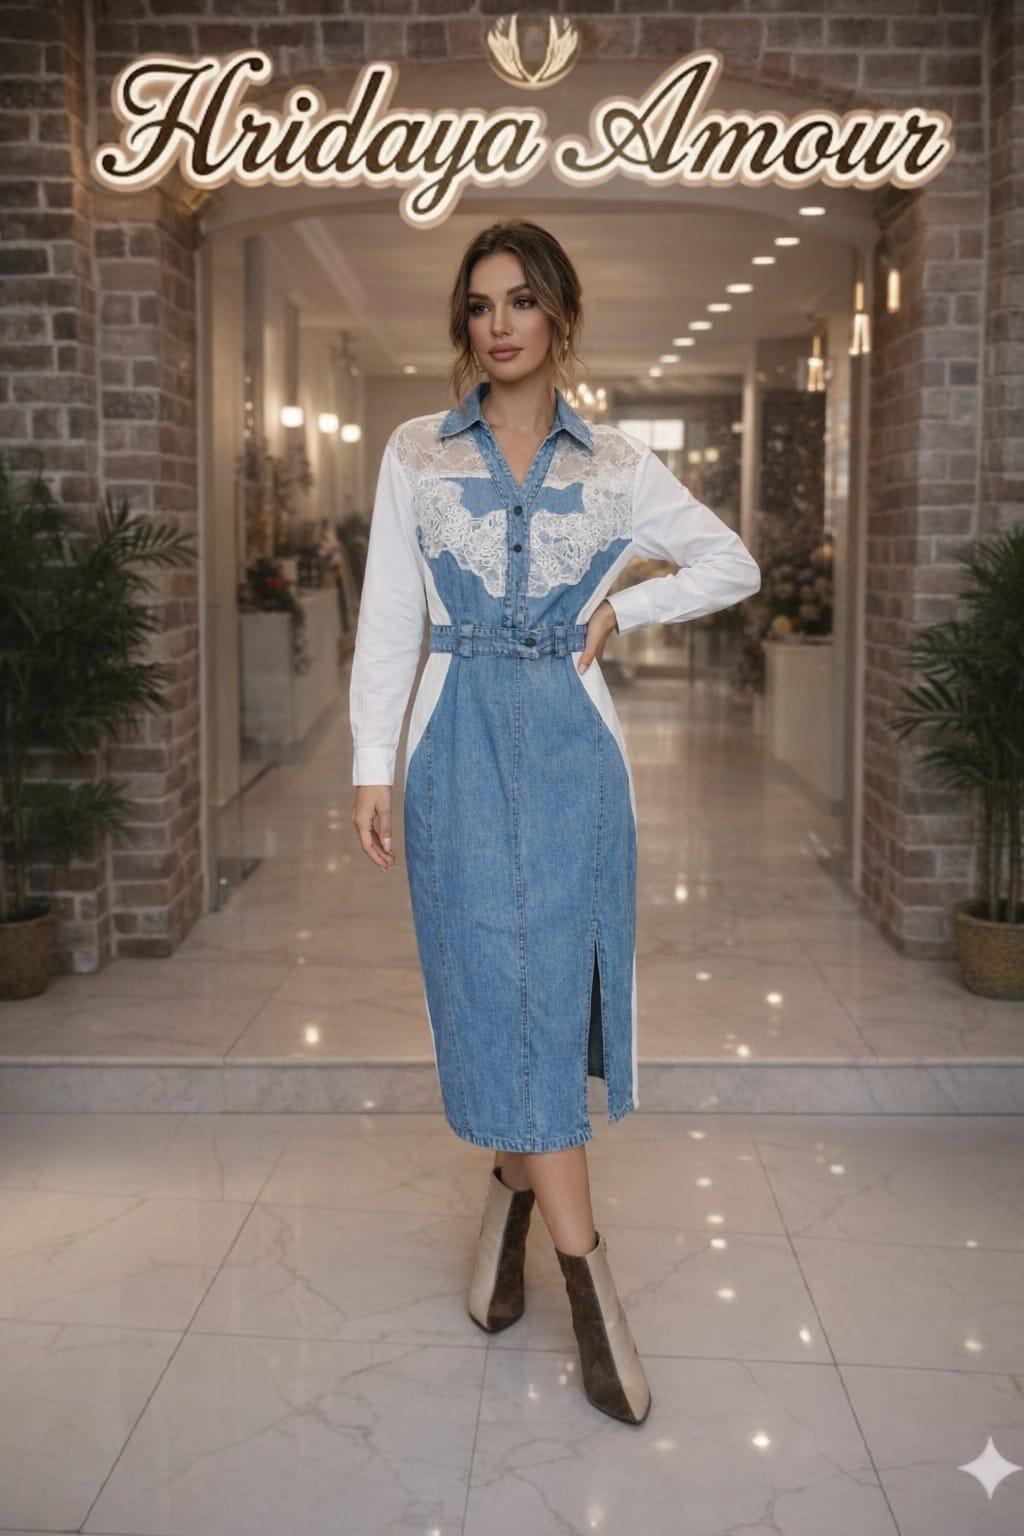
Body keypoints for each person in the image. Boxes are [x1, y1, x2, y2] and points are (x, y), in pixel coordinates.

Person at [349, 219, 761, 1425]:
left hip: (576, 758)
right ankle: (592, 1284)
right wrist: (373, 764)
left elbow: (728, 562)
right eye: (479, 305)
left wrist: (624, 614)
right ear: (463, 325)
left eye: (522, 301)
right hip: (454, 745)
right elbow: (386, 616)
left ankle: (517, 1223)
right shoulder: (416, 452)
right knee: (494, 988)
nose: (499, 323)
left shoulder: (621, 466)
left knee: (548, 997)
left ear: (560, 320)